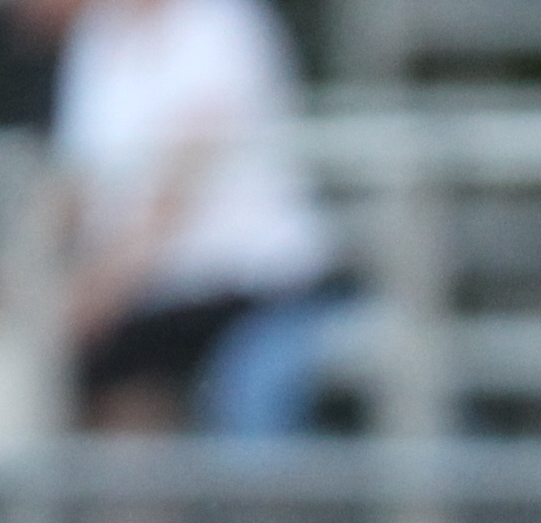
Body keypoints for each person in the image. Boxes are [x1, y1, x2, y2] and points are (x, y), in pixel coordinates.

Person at [19, 0, 343, 437]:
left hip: (253, 284)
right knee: (99, 381)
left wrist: (98, 287)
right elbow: (74, 183)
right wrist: (9, 276)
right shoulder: (98, 34)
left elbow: (180, 188)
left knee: (225, 384)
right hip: (152, 296)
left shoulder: (220, 22)